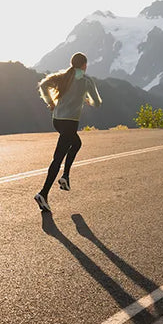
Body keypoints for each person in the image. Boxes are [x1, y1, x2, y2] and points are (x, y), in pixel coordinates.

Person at [34, 52, 101, 212]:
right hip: (70, 123)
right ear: (84, 65)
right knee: (58, 158)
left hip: (57, 120)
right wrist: (87, 100)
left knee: (76, 143)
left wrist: (51, 102)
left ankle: (65, 177)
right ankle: (43, 193)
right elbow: (97, 103)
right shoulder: (86, 81)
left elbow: (43, 85)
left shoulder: (63, 76)